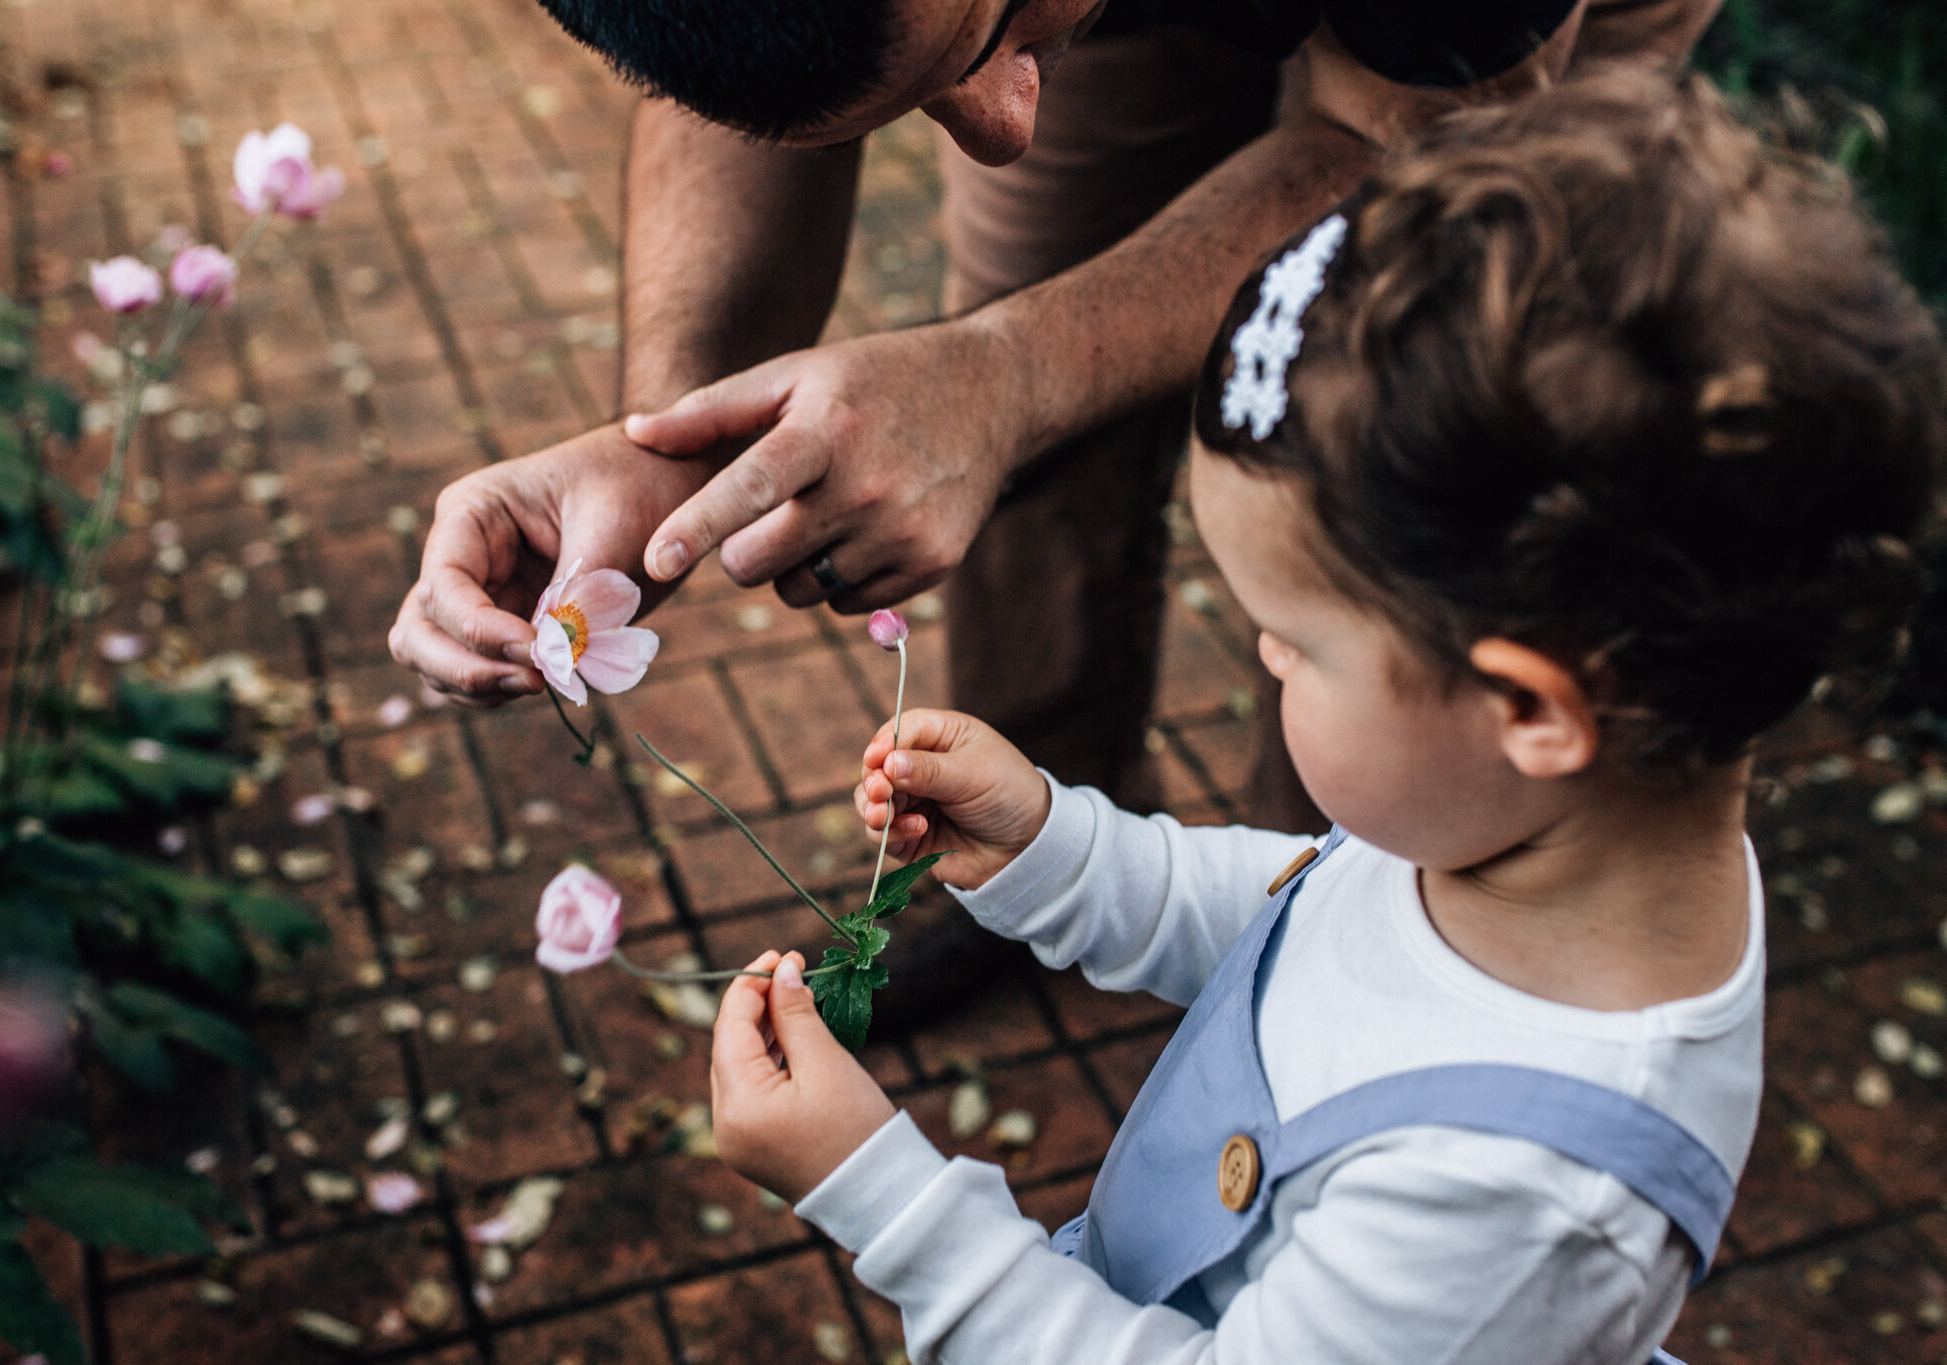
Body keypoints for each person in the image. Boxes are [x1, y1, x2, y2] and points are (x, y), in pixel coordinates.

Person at [701, 70, 1946, 1363]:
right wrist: (1055, 849)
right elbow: (1303, 930)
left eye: (1294, 643)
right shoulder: (1541, 833)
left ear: (1526, 705)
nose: (1259, 652)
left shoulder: (1518, 1205)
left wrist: (883, 1192)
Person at [391, 0, 1723, 832]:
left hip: (1454, 67)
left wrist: (1011, 372)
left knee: (1368, 440)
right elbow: (748, 77)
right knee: (991, 414)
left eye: (990, 41)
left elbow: (1402, 161)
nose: (1002, 130)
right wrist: (664, 441)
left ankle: (1315, 919)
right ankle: (1039, 856)